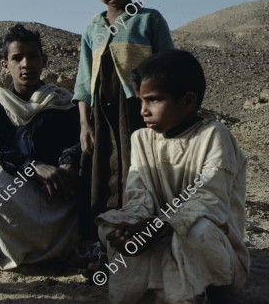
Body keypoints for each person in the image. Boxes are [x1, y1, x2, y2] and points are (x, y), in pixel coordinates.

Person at [97, 49, 249, 303]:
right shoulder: (141, 139)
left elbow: (209, 198)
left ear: (188, 101)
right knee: (111, 226)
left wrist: (160, 227)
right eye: (141, 101)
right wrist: (132, 229)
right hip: (157, 235)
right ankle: (162, 289)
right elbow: (139, 196)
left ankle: (212, 291)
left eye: (154, 100)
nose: (143, 111)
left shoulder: (213, 136)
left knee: (197, 231)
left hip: (214, 250)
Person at [72, 0, 174, 268]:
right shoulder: (92, 29)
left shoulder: (148, 20)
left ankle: (137, 239)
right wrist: (84, 123)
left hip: (136, 114)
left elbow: (168, 69)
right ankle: (102, 244)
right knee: (101, 174)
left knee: (138, 172)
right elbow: (84, 81)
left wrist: (159, 111)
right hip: (103, 118)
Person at [0, 23, 84, 268]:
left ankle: (55, 250)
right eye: (17, 58)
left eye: (33, 56)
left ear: (43, 60)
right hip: (13, 194)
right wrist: (30, 165)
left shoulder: (64, 104)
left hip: (55, 191)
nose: (26, 64)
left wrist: (68, 162)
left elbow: (79, 138)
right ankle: (14, 251)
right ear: (5, 65)